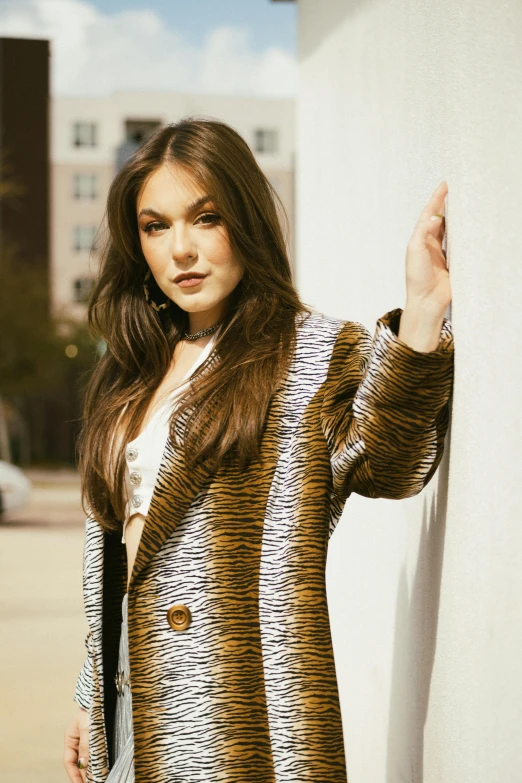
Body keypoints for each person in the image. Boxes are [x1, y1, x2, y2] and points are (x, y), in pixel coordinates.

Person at [63, 118, 454, 783]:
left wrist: (421, 312)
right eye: (156, 226)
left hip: (240, 719)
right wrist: (90, 690)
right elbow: (129, 555)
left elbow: (394, 463)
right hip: (130, 702)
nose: (180, 249)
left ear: (244, 220)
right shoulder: (132, 369)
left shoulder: (308, 357)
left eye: (205, 217)